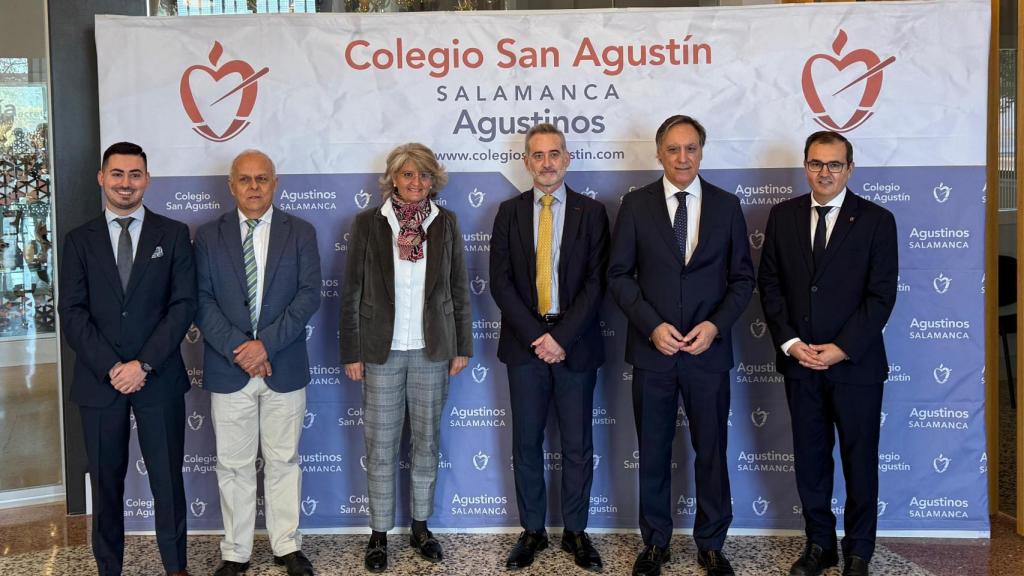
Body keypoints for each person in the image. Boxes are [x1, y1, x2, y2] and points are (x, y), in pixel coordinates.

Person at [608, 116, 754, 576]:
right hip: (654, 352)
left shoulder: (728, 207)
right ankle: (655, 543)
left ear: (702, 153)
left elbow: (742, 279)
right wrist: (651, 326)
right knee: (653, 450)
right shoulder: (635, 207)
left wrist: (714, 326)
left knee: (711, 449)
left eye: (691, 148)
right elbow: (618, 276)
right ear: (659, 154)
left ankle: (712, 543)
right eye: (673, 149)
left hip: (708, 352)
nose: (682, 157)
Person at [758, 131, 897, 576]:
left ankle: (859, 550)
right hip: (801, 365)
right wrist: (792, 344)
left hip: (855, 366)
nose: (825, 172)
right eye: (817, 164)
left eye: (834, 164)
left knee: (860, 462)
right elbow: (771, 285)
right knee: (812, 462)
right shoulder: (782, 217)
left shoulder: (877, 220)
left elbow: (881, 297)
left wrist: (840, 349)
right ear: (806, 167)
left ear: (849, 169)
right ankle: (819, 545)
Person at [59, 141, 195, 576]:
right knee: (106, 484)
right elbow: (73, 312)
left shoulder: (172, 234)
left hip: (158, 379)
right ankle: (108, 569)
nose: (125, 183)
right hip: (101, 383)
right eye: (117, 174)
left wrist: (143, 365)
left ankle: (176, 568)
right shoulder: (79, 240)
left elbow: (183, 306)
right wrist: (112, 368)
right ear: (102, 178)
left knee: (168, 483)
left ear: (147, 180)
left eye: (134, 174)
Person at [340, 143, 472, 573]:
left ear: (434, 181)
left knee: (427, 445)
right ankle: (379, 534)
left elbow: (457, 289)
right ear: (393, 178)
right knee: (379, 447)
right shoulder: (368, 224)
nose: (416, 183)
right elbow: (352, 292)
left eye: (424, 176)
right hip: (381, 353)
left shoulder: (446, 223)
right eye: (408, 174)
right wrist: (353, 351)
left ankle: (420, 527)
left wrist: (462, 345)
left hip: (432, 351)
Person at [194, 150, 322, 576]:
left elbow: (308, 295)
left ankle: (287, 545)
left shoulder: (300, 232)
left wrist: (264, 345)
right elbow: (202, 301)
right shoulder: (208, 237)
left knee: (284, 460)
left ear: (274, 183)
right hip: (229, 369)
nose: (253, 187)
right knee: (233, 465)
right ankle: (236, 551)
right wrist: (242, 349)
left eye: (261, 179)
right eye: (245, 179)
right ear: (231, 185)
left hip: (283, 364)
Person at [489, 123, 610, 571]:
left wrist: (560, 337)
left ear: (567, 158)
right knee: (527, 443)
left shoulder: (591, 213)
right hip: (525, 346)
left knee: (578, 444)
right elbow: (500, 283)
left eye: (554, 153)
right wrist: (537, 337)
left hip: (574, 343)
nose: (546, 163)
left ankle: (576, 533)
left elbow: (598, 283)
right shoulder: (508, 212)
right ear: (526, 161)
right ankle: (533, 531)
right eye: (537, 155)